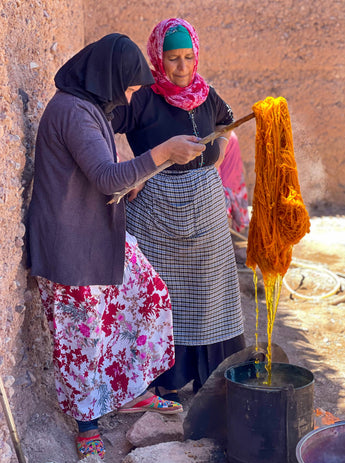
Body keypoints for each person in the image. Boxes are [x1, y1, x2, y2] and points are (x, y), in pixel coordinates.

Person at [26, 33, 206, 460]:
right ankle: (86, 423)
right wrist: (162, 153)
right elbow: (106, 177)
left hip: (97, 233)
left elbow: (102, 176)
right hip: (69, 244)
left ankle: (129, 391)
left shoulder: (89, 108)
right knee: (81, 336)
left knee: (148, 295)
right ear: (106, 77)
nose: (127, 95)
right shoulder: (72, 111)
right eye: (125, 86)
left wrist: (135, 178)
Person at [112, 19, 246, 403]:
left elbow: (226, 127)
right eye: (173, 59)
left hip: (204, 208)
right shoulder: (141, 98)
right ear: (158, 57)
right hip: (154, 211)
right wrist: (129, 170)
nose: (183, 67)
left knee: (210, 292)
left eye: (188, 57)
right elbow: (103, 128)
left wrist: (213, 152)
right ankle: (161, 382)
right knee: (159, 294)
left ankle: (214, 382)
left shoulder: (207, 95)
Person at [218, 131, 249, 233]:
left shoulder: (220, 138)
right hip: (235, 176)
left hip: (227, 180)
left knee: (225, 217)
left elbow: (216, 166)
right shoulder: (229, 133)